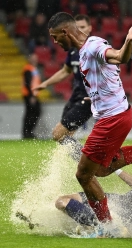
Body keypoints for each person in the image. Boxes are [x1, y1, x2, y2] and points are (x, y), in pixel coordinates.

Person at [47, 12, 132, 235]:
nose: (54, 42)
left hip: (112, 120)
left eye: (55, 36)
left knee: (83, 175)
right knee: (99, 170)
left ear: (64, 32)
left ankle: (108, 227)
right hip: (116, 115)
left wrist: (128, 40)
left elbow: (119, 57)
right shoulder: (85, 50)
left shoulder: (92, 47)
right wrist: (97, 96)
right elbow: (107, 74)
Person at [55, 149, 132, 237]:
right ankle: (99, 226)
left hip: (122, 207)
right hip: (127, 217)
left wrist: (115, 169)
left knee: (62, 202)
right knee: (67, 203)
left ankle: (105, 227)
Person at [32, 14, 93, 162]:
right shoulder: (73, 51)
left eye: (83, 27)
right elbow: (65, 71)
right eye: (77, 28)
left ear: (90, 28)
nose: (80, 30)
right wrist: (45, 84)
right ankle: (83, 164)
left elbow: (111, 69)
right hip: (76, 95)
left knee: (58, 133)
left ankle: (88, 163)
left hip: (89, 98)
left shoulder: (94, 48)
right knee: (66, 136)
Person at [21, 53, 42, 139]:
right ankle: (27, 132)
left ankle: (28, 132)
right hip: (29, 95)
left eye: (36, 59)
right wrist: (31, 96)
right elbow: (28, 83)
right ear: (29, 60)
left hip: (33, 95)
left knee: (33, 113)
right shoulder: (28, 69)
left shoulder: (33, 69)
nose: (35, 60)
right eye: (33, 59)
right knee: (31, 113)